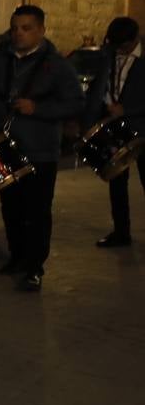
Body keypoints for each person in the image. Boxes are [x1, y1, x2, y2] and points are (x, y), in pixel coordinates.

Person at [0, 5, 83, 291]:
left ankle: (35, 265)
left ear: (41, 30)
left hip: (40, 149)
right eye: (15, 28)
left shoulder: (57, 65)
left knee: (37, 210)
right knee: (10, 206)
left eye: (26, 28)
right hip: (4, 146)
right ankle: (17, 256)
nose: (19, 34)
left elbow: (75, 103)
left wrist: (37, 107)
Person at [83, 16, 145, 247]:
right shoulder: (108, 54)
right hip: (115, 128)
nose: (120, 50)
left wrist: (126, 109)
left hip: (141, 127)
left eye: (124, 46)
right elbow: (98, 86)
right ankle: (121, 232)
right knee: (117, 182)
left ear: (135, 39)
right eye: (116, 46)